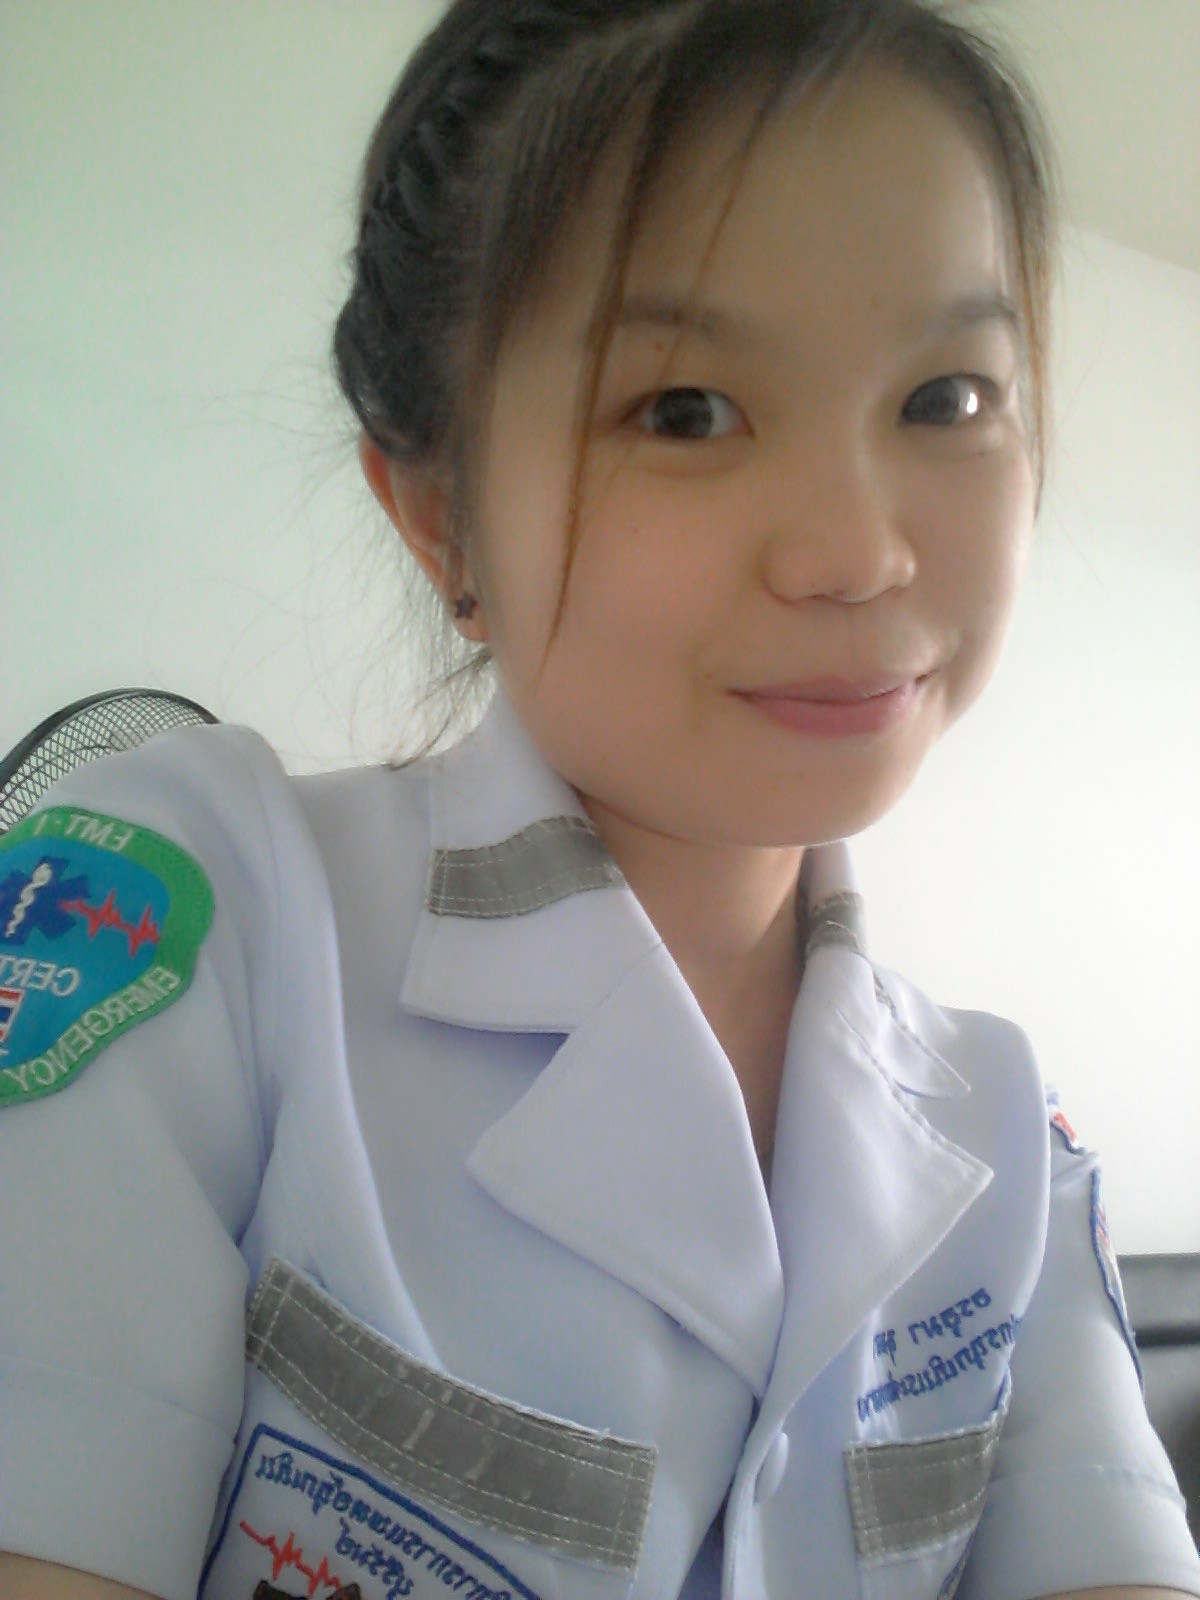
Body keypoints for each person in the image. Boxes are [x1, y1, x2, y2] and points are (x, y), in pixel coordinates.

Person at [1, 1, 1197, 1596]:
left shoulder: (1007, 1137)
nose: (859, 553)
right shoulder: (184, 917)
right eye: (686, 411)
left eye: (948, 399)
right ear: (440, 516)